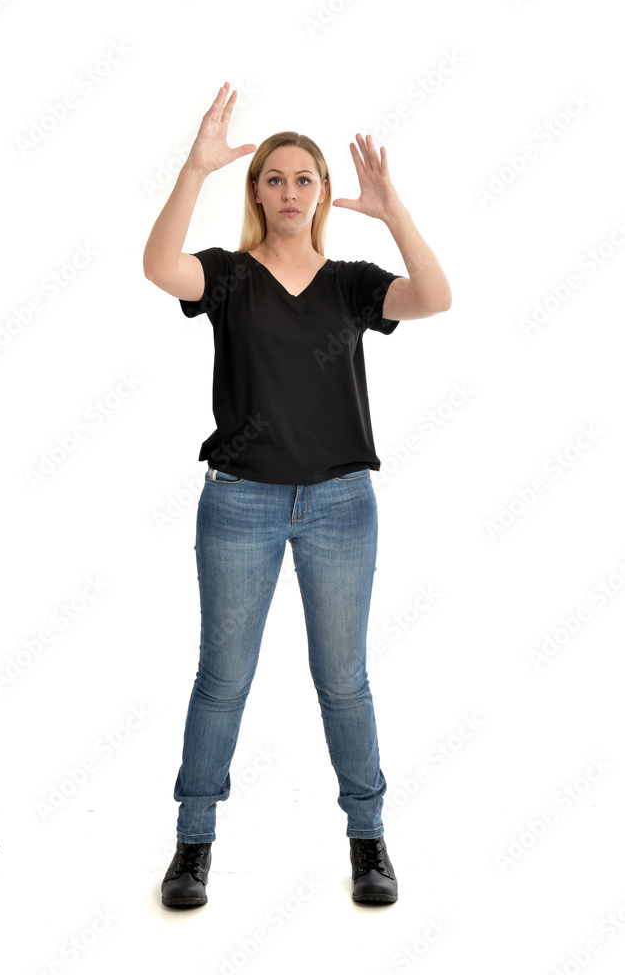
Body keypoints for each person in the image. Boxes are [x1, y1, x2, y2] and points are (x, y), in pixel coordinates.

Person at [143, 81, 452, 908]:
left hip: (340, 505)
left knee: (342, 680)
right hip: (238, 502)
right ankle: (193, 842)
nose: (288, 191)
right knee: (222, 680)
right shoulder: (228, 278)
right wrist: (194, 169)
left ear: (321, 192)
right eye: (273, 178)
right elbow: (156, 267)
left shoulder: (352, 284)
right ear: (256, 191)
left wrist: (392, 213)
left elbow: (434, 297)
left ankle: (367, 839)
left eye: (302, 179)